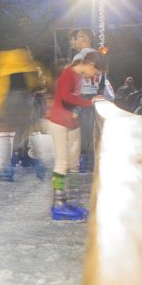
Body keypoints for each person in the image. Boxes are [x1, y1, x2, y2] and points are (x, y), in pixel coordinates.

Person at [46, 52, 106, 220]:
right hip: (58, 121)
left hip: (69, 122)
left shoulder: (77, 75)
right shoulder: (69, 73)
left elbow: (72, 99)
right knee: (62, 161)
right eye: (95, 72)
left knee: (73, 162)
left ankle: (70, 199)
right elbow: (65, 97)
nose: (94, 76)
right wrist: (89, 102)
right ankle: (58, 203)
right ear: (90, 65)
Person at [0, 41, 48, 182]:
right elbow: (38, 84)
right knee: (26, 131)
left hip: (10, 100)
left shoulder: (0, 65)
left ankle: (8, 169)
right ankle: (38, 164)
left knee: (5, 132)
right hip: (26, 100)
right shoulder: (28, 63)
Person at [69, 28, 99, 172]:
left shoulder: (79, 57)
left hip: (83, 96)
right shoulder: (99, 56)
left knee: (82, 132)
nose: (76, 40)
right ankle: (92, 161)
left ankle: (84, 162)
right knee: (92, 131)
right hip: (96, 97)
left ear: (85, 39)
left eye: (78, 37)